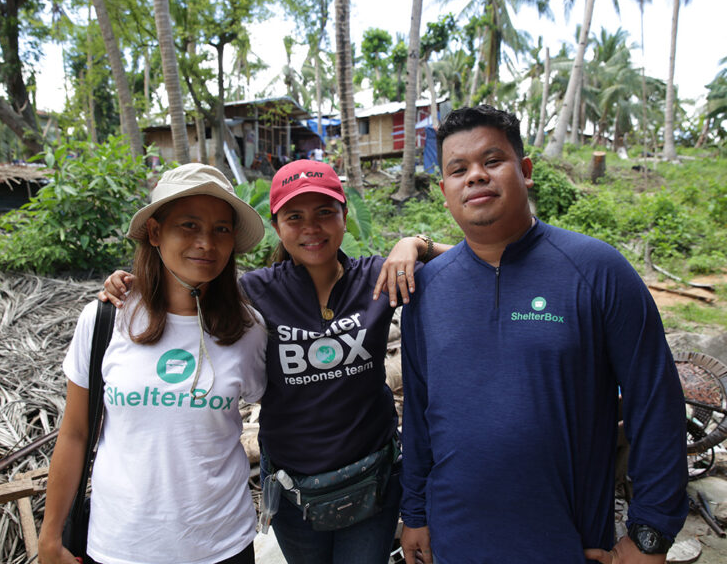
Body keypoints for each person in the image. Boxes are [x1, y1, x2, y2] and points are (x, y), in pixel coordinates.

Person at [101, 159, 451, 564]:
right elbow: (184, 286)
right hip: (292, 489)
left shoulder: (378, 277)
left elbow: (473, 258)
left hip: (373, 480)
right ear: (277, 226)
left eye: (325, 212)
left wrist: (416, 243)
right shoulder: (252, 293)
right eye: (294, 216)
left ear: (344, 215)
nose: (311, 228)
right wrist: (128, 283)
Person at [399, 105, 689, 564]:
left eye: (492, 161)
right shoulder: (428, 290)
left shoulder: (597, 270)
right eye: (458, 169)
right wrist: (414, 511)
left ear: (526, 171)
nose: (475, 176)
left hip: (568, 543)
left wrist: (651, 532)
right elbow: (417, 412)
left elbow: (655, 402)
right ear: (444, 190)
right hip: (455, 541)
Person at [38, 164, 268, 564]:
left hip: (221, 545)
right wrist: (50, 535)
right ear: (156, 233)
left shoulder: (247, 329)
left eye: (221, 229)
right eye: (189, 225)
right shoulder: (107, 320)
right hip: (121, 545)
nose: (206, 243)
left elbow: (283, 413)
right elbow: (75, 433)